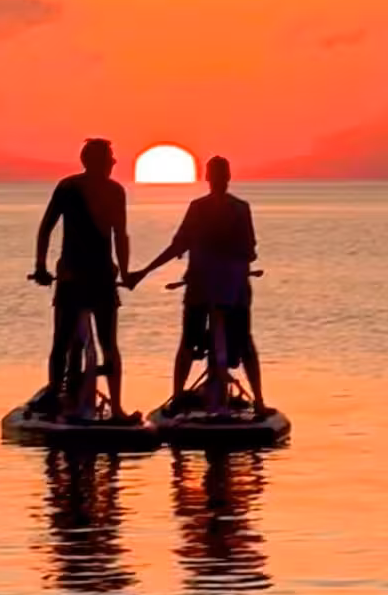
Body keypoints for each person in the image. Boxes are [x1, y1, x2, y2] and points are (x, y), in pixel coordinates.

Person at [123, 155, 266, 414]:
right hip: (231, 289)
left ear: (207, 178)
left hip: (204, 287)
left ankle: (178, 397)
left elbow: (178, 245)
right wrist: (143, 272)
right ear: (227, 177)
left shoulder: (200, 208)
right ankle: (259, 402)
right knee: (243, 343)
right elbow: (249, 250)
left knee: (190, 342)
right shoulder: (239, 208)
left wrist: (143, 273)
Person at [32, 138, 133, 420]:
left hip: (75, 277)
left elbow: (45, 228)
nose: (113, 164)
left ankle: (56, 396)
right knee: (106, 343)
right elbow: (120, 236)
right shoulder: (110, 191)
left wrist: (40, 266)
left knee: (62, 342)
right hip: (97, 277)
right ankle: (117, 410)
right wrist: (125, 273)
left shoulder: (68, 187)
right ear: (99, 162)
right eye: (110, 159)